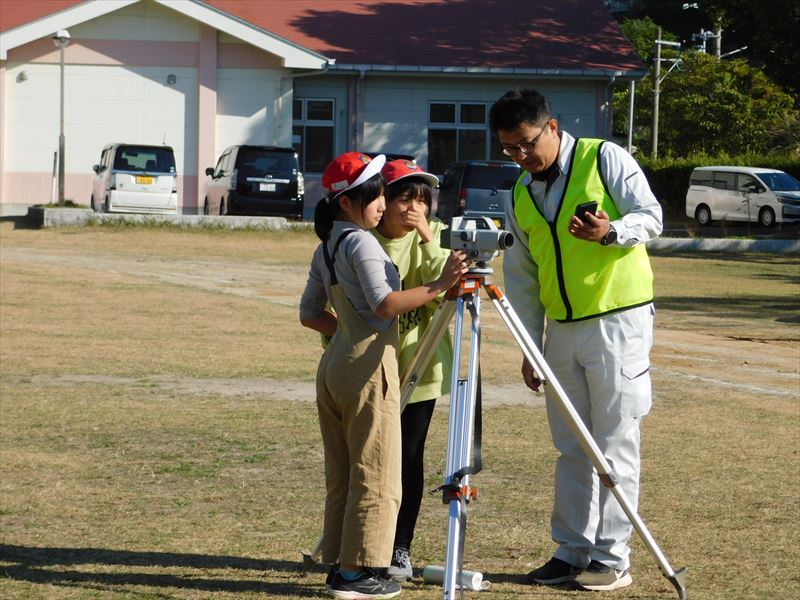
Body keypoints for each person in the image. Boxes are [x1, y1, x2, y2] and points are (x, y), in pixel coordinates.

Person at [488, 88, 663, 592]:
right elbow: (520, 277)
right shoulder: (521, 191)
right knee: (571, 446)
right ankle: (570, 550)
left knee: (614, 442)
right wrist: (529, 345)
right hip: (559, 332)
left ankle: (612, 557)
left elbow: (651, 216)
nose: (521, 156)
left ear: (552, 128)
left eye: (525, 144)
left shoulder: (604, 158)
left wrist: (612, 232)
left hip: (617, 322)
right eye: (509, 149)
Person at [299, 152, 468, 599]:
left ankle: (340, 565)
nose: (381, 202)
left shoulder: (329, 243)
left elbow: (310, 313)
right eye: (375, 193)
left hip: (336, 366)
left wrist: (346, 337)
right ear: (349, 201)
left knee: (345, 473)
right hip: (369, 369)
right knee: (378, 473)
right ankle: (358, 575)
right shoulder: (361, 242)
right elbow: (384, 304)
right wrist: (441, 283)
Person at [372, 159, 452, 581]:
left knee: (409, 459)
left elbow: (445, 290)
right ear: (382, 200)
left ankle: (400, 547)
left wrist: (425, 236)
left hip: (422, 368)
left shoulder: (435, 237)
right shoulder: (365, 241)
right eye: (405, 198)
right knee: (371, 459)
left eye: (422, 200)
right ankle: (368, 543)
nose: (414, 207)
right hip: (375, 369)